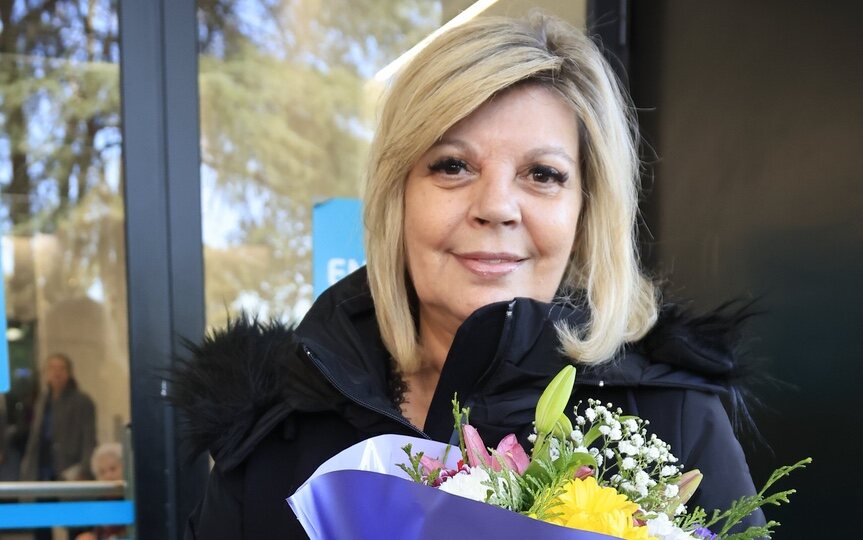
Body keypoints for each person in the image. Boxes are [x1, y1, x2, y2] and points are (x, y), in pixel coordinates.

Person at [172, 13, 765, 539]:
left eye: (543, 174)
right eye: (453, 166)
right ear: (396, 197)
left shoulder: (673, 419)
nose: (497, 206)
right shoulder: (277, 425)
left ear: (587, 210)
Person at [20, 353, 96, 482]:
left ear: (69, 372)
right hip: (42, 465)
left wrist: (84, 469)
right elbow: (35, 436)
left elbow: (89, 438)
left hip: (69, 465)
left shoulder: (82, 401)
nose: (57, 373)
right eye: (52, 368)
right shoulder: (42, 400)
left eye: (62, 368)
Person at [74, 442, 127, 540]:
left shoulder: (132, 499)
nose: (108, 476)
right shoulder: (98, 502)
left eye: (113, 469)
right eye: (102, 472)